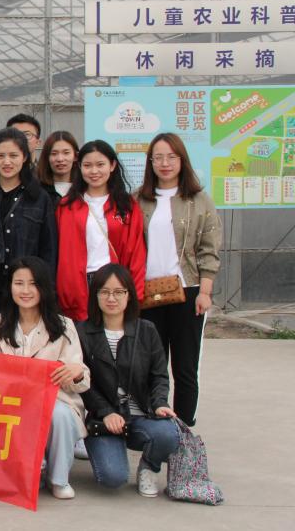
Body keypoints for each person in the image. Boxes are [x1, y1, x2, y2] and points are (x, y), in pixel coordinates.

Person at [137, 132, 221, 427]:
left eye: (171, 157)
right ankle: (156, 426)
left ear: (182, 160)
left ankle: (184, 428)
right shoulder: (138, 199)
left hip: (188, 292)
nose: (165, 163)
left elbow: (209, 250)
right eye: (158, 157)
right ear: (150, 162)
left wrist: (205, 292)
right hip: (147, 294)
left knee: (185, 366)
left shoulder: (199, 201)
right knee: (152, 365)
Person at [0, 257, 89, 500]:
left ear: (44, 287)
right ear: (10, 286)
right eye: (18, 283)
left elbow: (81, 378)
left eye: (33, 284)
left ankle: (59, 479)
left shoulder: (63, 325)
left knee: (60, 415)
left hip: (55, 399)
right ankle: (32, 466)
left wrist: (75, 372)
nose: (25, 291)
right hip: (12, 399)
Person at [77, 264, 180, 497]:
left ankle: (149, 467)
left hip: (142, 415)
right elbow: (83, 383)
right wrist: (105, 411)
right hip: (104, 421)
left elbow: (159, 375)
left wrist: (160, 403)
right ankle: (107, 450)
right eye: (104, 292)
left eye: (118, 292)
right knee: (113, 478)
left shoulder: (147, 330)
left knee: (168, 434)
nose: (111, 298)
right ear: (95, 295)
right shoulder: (82, 332)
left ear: (129, 295)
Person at [0, 128, 57, 318]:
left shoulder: (39, 197)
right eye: (0, 156)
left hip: (26, 287)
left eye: (13, 155)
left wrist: (47, 287)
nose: (6, 162)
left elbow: (48, 248)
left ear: (24, 157)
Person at [57, 139, 146, 321]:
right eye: (87, 165)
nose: (94, 171)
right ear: (79, 167)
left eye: (100, 164)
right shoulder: (66, 206)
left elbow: (137, 253)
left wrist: (135, 295)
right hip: (76, 288)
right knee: (82, 336)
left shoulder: (127, 205)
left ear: (112, 165)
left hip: (114, 284)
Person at [37, 131, 80, 203]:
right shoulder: (36, 191)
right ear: (47, 157)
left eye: (66, 153)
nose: (60, 159)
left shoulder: (84, 190)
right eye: (54, 153)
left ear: (75, 156)